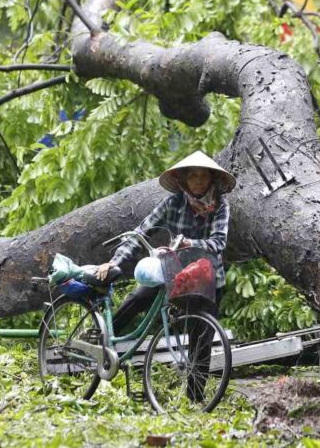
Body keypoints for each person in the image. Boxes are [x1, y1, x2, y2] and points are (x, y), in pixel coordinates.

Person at [94, 151, 236, 401]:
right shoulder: (173, 203)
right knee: (138, 297)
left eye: (204, 176)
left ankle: (196, 398)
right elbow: (142, 231)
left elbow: (219, 242)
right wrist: (114, 261)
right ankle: (99, 341)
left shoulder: (220, 206)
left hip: (206, 277)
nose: (199, 181)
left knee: (201, 334)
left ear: (211, 180)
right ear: (185, 180)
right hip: (172, 270)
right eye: (193, 176)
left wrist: (190, 243)